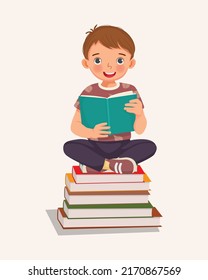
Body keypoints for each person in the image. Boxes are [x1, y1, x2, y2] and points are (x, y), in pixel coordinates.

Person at [63, 25, 156, 174]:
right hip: (94, 144)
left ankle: (95, 165)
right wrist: (92, 132)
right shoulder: (88, 91)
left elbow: (140, 130)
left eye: (119, 60)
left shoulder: (130, 90)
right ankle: (112, 165)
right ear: (86, 63)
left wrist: (139, 114)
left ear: (130, 63)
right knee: (70, 146)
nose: (109, 66)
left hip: (123, 145)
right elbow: (75, 126)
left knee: (149, 145)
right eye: (98, 60)